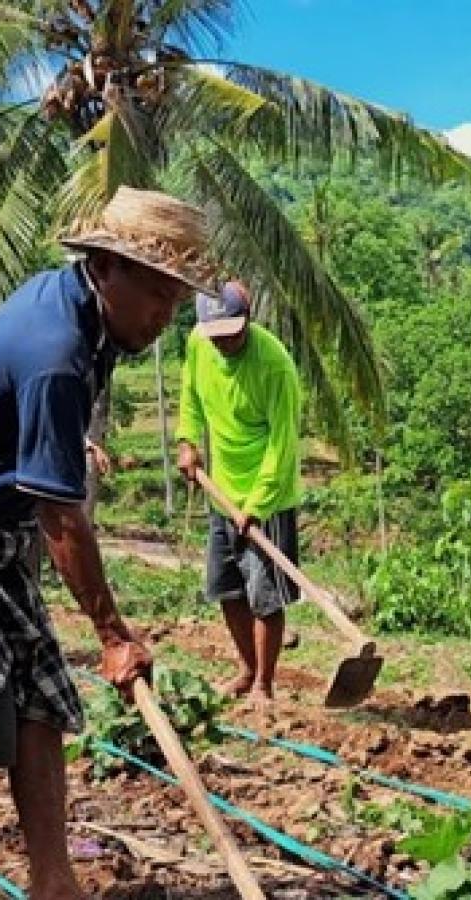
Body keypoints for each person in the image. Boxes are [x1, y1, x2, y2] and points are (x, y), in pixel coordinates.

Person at [0, 186, 215, 899]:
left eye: (177, 302)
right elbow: (60, 516)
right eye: (157, 294)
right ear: (106, 267)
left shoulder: (86, 316)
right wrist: (113, 632)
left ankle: (55, 882)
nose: (164, 317)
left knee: (39, 701)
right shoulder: (58, 346)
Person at [176, 280, 303, 706]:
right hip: (221, 495)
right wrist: (188, 441)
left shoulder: (275, 367)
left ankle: (265, 686)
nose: (225, 341)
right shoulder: (199, 343)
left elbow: (282, 446)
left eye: (232, 331)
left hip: (268, 499)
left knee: (264, 596)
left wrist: (256, 506)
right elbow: (191, 396)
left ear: (248, 319)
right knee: (226, 588)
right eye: (217, 334)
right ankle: (247, 670)